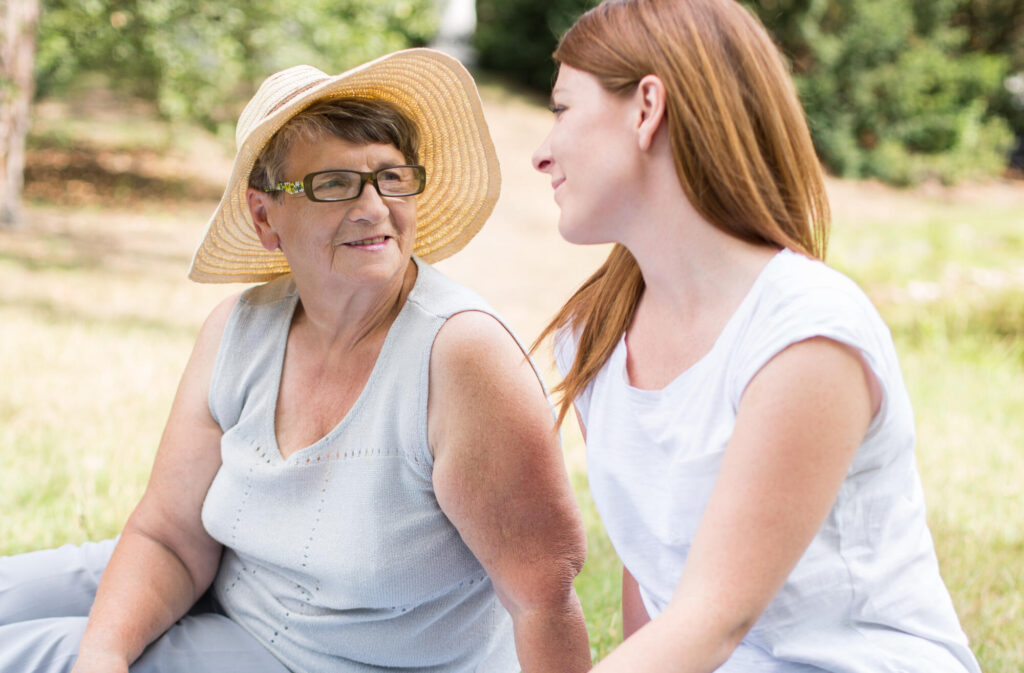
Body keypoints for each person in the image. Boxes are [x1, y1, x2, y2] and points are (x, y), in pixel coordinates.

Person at [0, 48, 591, 673]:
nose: (372, 208)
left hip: (327, 660)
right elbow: (169, 536)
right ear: (265, 215)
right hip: (229, 584)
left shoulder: (463, 356)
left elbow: (543, 602)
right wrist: (104, 654)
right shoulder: (240, 328)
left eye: (391, 177)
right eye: (333, 184)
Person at [530, 1, 983, 672]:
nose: (541, 152)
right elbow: (653, 590)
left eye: (563, 108)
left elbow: (710, 620)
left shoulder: (804, 334)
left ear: (646, 107)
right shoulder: (595, 332)